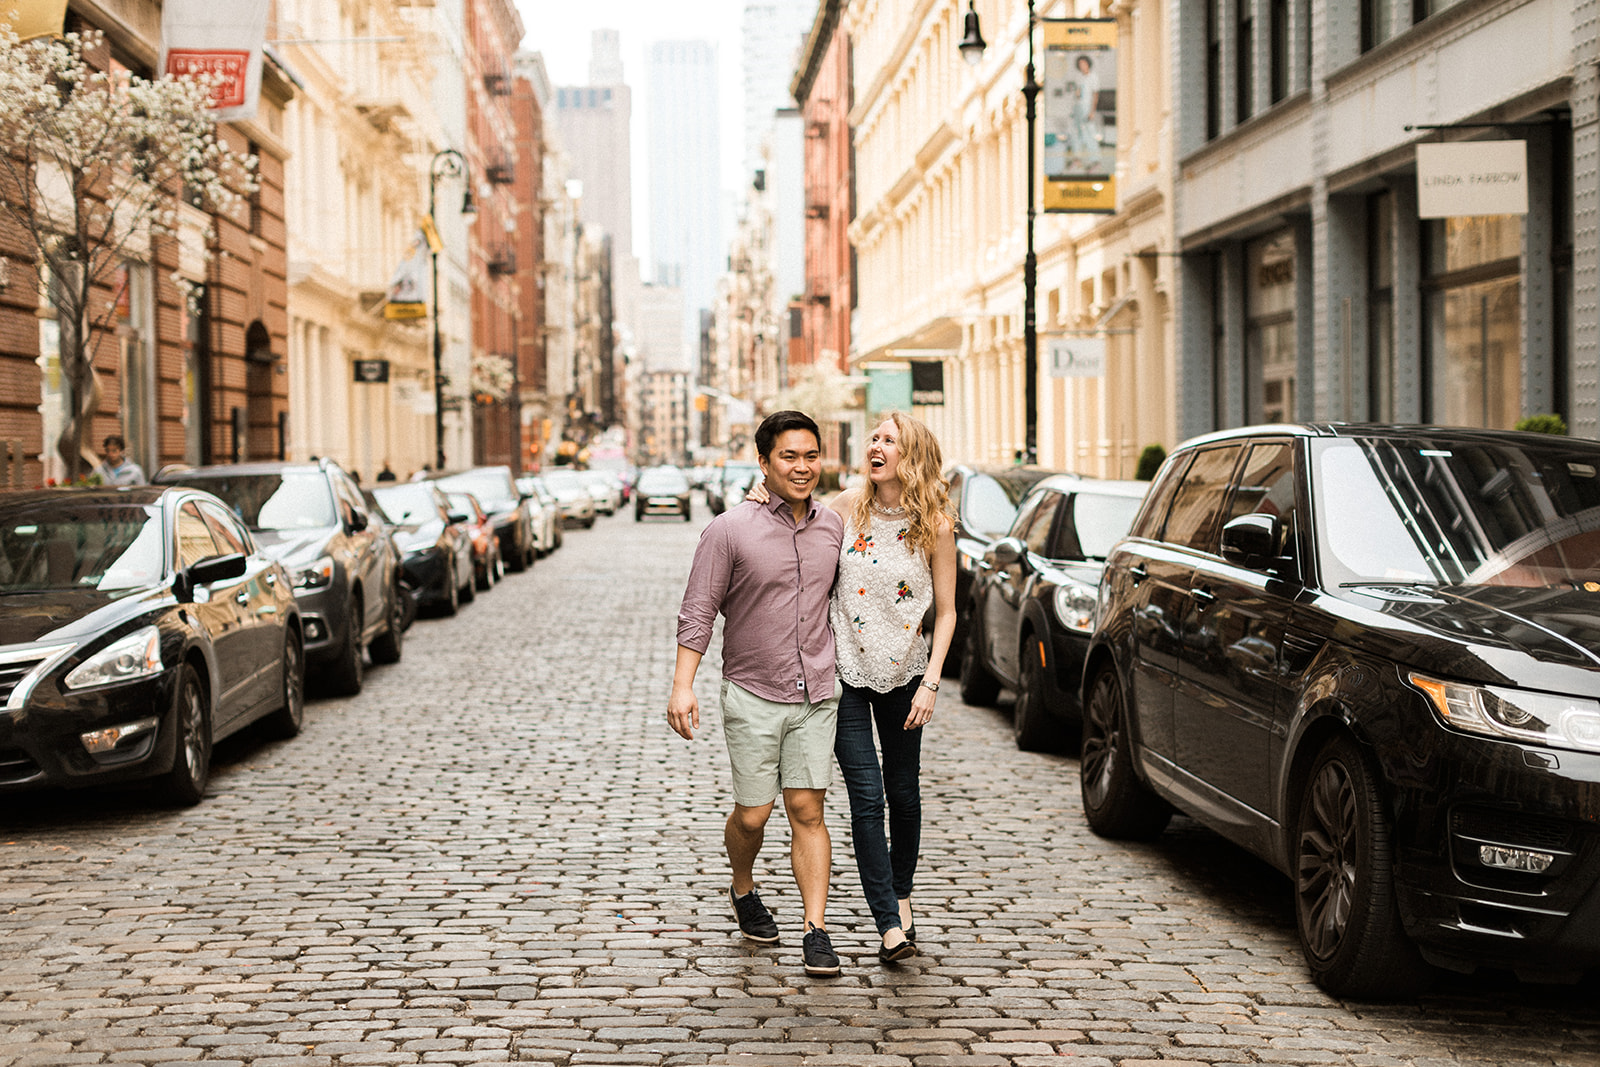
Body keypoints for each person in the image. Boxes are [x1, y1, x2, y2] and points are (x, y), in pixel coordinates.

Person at [749, 412, 957, 964]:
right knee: (866, 799)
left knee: (903, 795)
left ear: (910, 454)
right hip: (844, 674)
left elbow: (949, 611)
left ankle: (903, 891)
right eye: (875, 438)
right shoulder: (844, 507)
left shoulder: (934, 522)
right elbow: (789, 518)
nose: (876, 446)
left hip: (907, 675)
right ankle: (888, 923)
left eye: (889, 440)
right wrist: (756, 494)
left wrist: (931, 683)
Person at [668, 410, 847, 977]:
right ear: (764, 462)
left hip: (817, 690)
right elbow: (699, 610)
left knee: (806, 808)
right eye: (789, 457)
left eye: (811, 455)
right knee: (753, 814)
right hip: (752, 690)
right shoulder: (729, 530)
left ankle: (814, 930)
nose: (802, 467)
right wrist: (683, 685)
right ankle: (743, 888)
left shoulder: (833, 526)